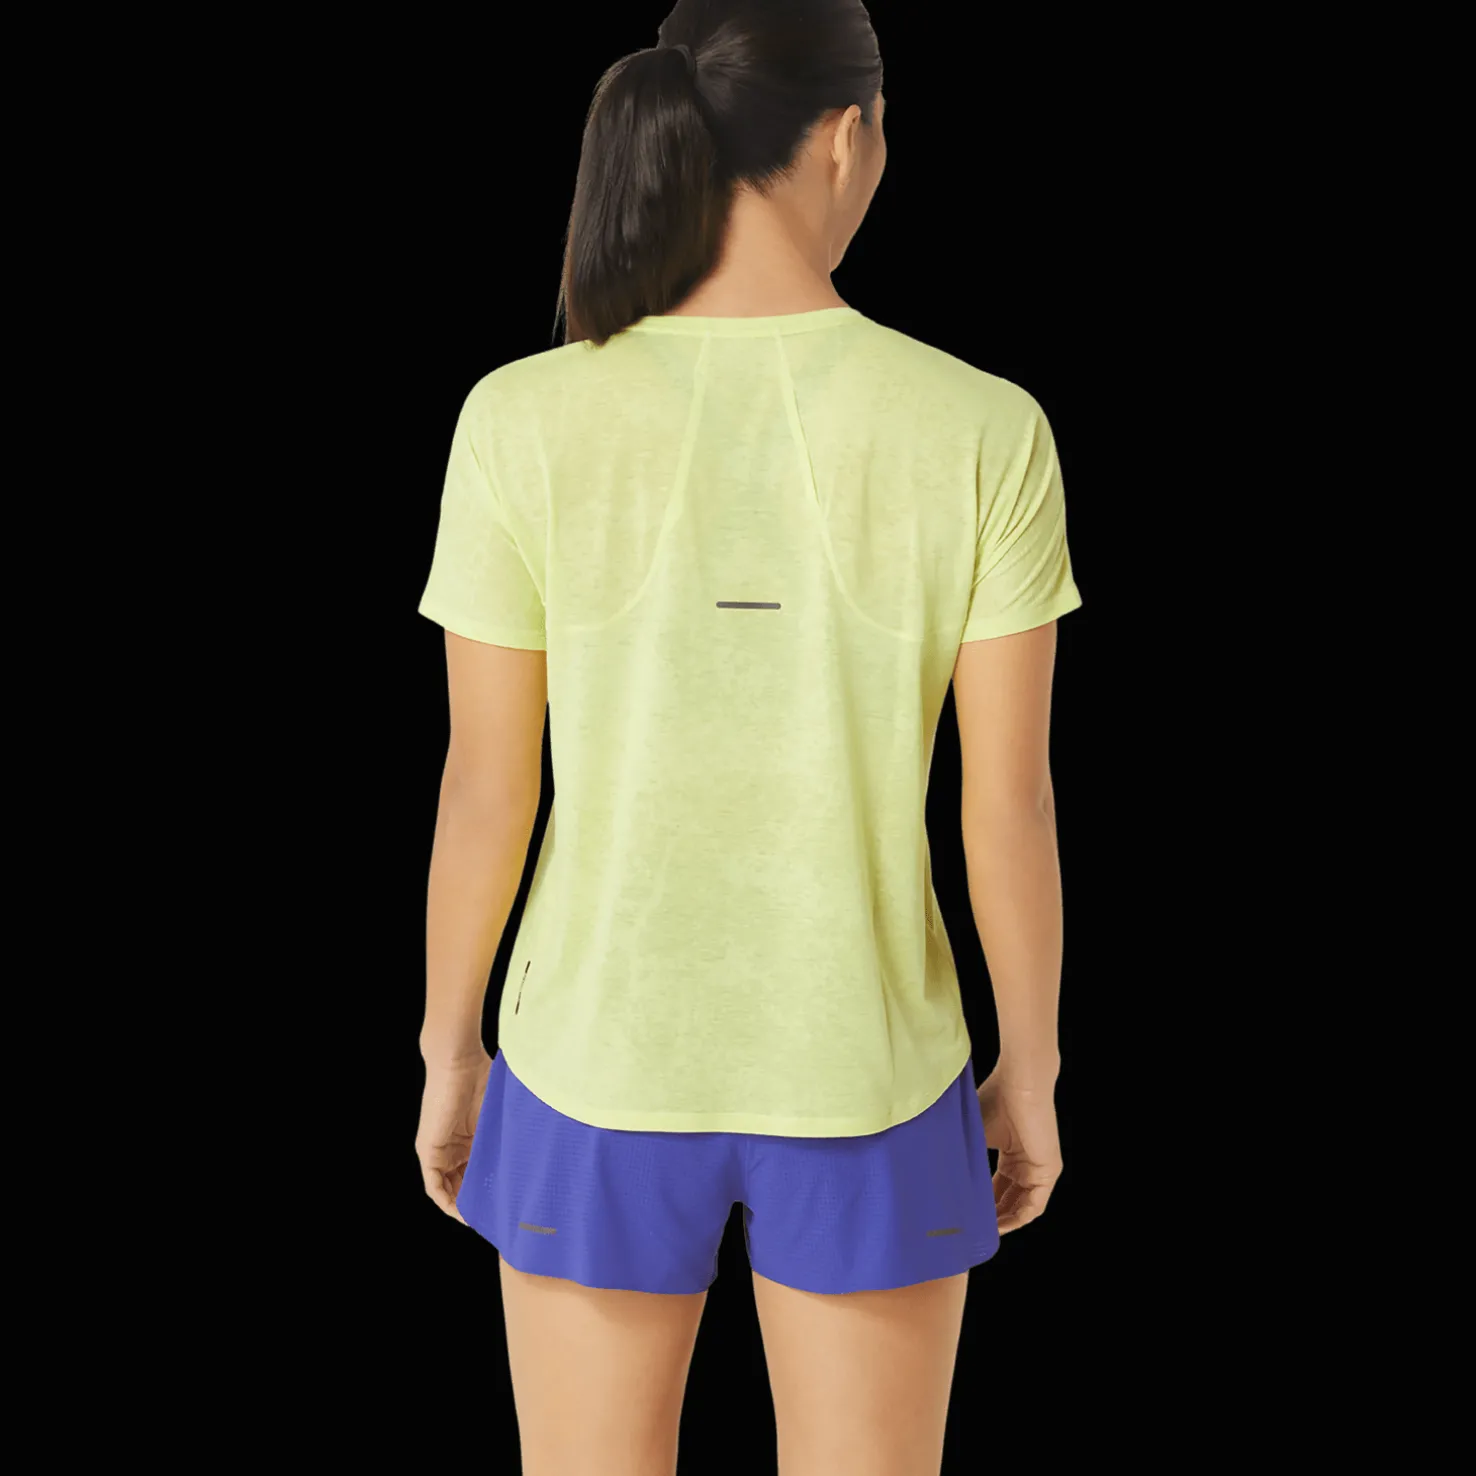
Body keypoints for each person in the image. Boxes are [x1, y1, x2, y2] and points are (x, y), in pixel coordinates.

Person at [414, 3, 1082, 1472]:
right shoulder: (984, 426)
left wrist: (450, 1050)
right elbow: (1008, 803)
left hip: (587, 1061)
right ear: (848, 136)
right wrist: (1028, 1067)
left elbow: (484, 786)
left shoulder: (517, 417)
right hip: (872, 1069)